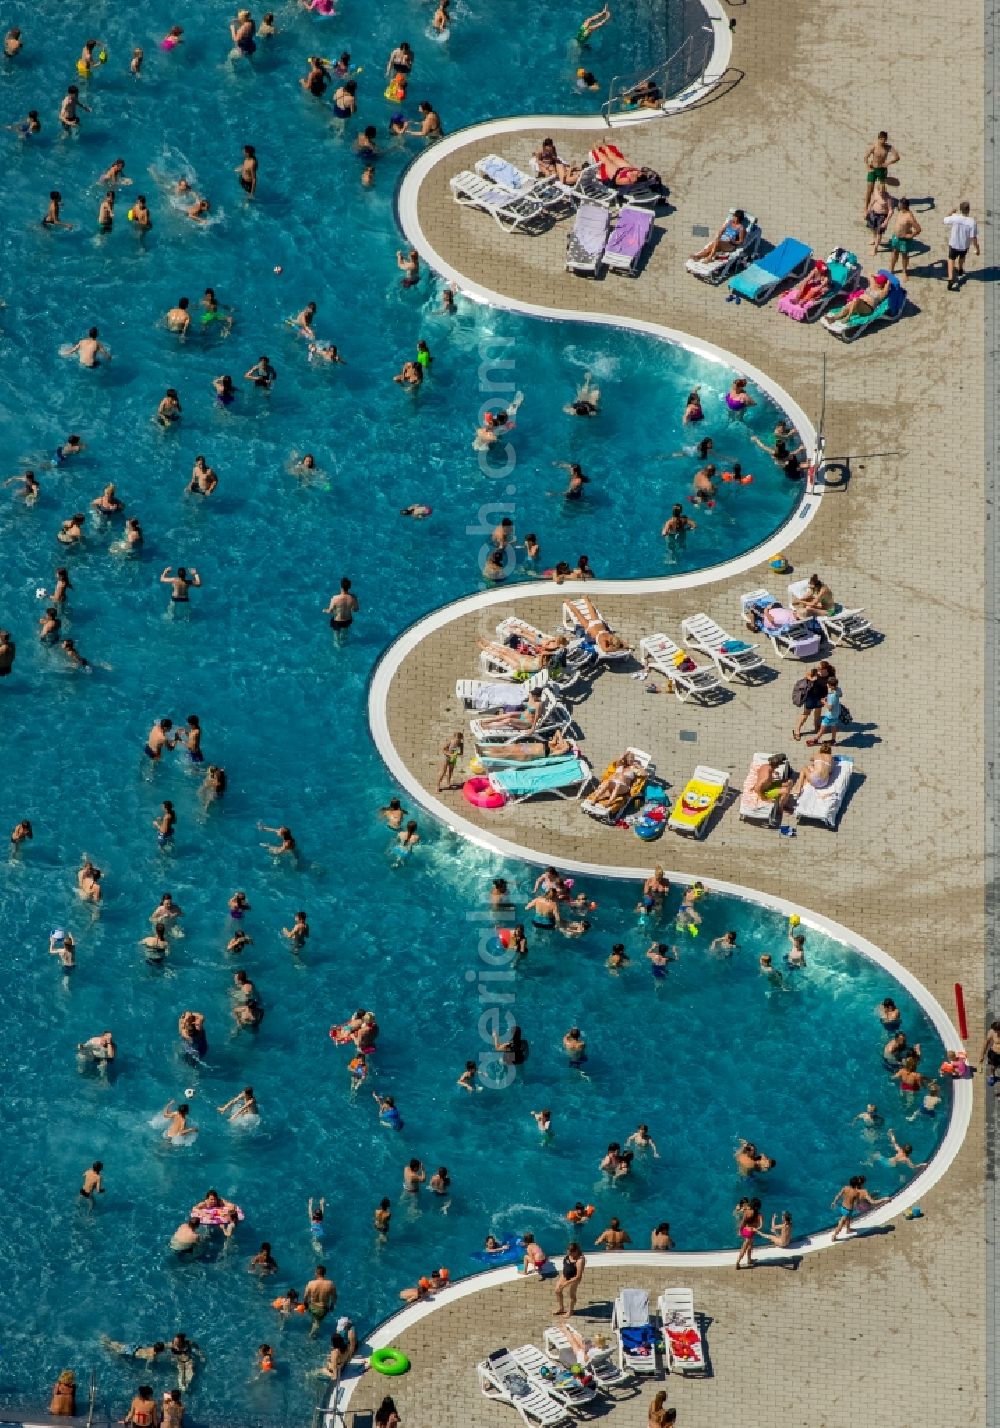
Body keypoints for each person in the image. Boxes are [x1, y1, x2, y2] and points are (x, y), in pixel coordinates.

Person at [831, 1174, 884, 1240]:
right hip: (848, 1210)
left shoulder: (845, 1188)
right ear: (856, 1184)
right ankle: (834, 1236)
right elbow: (863, 1202)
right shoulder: (856, 1192)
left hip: (843, 1207)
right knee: (841, 1224)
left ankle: (848, 1229)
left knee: (848, 1219)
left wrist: (834, 1202)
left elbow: (838, 1195)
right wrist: (883, 1199)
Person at [944, 200, 980, 289]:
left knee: (951, 260)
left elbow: (945, 220)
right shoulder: (972, 222)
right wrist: (977, 248)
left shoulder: (955, 217)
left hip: (954, 244)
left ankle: (950, 278)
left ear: (960, 209)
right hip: (964, 245)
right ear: (969, 210)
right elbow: (973, 237)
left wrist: (951, 212)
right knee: (962, 257)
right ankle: (960, 269)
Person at [863, 131, 900, 215]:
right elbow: (865, 157)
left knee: (882, 190)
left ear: (886, 139)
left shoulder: (888, 147)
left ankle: (881, 205)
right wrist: (867, 166)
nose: (882, 141)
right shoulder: (874, 146)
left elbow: (897, 157)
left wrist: (888, 163)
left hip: (882, 170)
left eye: (884, 139)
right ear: (878, 138)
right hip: (873, 170)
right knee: (869, 189)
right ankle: (865, 207)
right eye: (881, 139)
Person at [887, 198, 921, 278]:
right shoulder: (900, 211)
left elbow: (918, 229)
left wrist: (911, 235)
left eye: (899, 204)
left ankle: (904, 272)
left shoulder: (909, 216)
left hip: (904, 240)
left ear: (904, 205)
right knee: (894, 253)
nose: (898, 205)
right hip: (896, 237)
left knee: (904, 256)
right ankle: (891, 270)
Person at [553, 1242, 586, 1315]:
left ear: (576, 1251)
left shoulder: (580, 1260)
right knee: (557, 1291)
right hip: (565, 1276)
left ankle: (570, 1311)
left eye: (571, 1253)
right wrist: (563, 1278)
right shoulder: (569, 1255)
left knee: (571, 1295)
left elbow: (578, 1276)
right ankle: (561, 1308)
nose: (569, 1254)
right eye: (568, 1252)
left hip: (574, 1279)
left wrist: (566, 1283)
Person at [735, 1197, 762, 1268]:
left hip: (744, 1230)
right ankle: (738, 1261)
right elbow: (760, 1226)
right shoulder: (759, 1215)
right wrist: (754, 1228)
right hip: (750, 1232)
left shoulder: (746, 1212)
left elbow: (742, 1223)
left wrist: (740, 1230)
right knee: (744, 1248)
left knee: (750, 1246)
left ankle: (749, 1260)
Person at [980, 1020, 1000, 1085]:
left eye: (997, 1031)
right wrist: (982, 1055)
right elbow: (986, 1044)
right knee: (993, 1066)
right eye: (995, 1031)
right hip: (994, 1053)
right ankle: (992, 1076)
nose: (996, 1033)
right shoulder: (992, 1032)